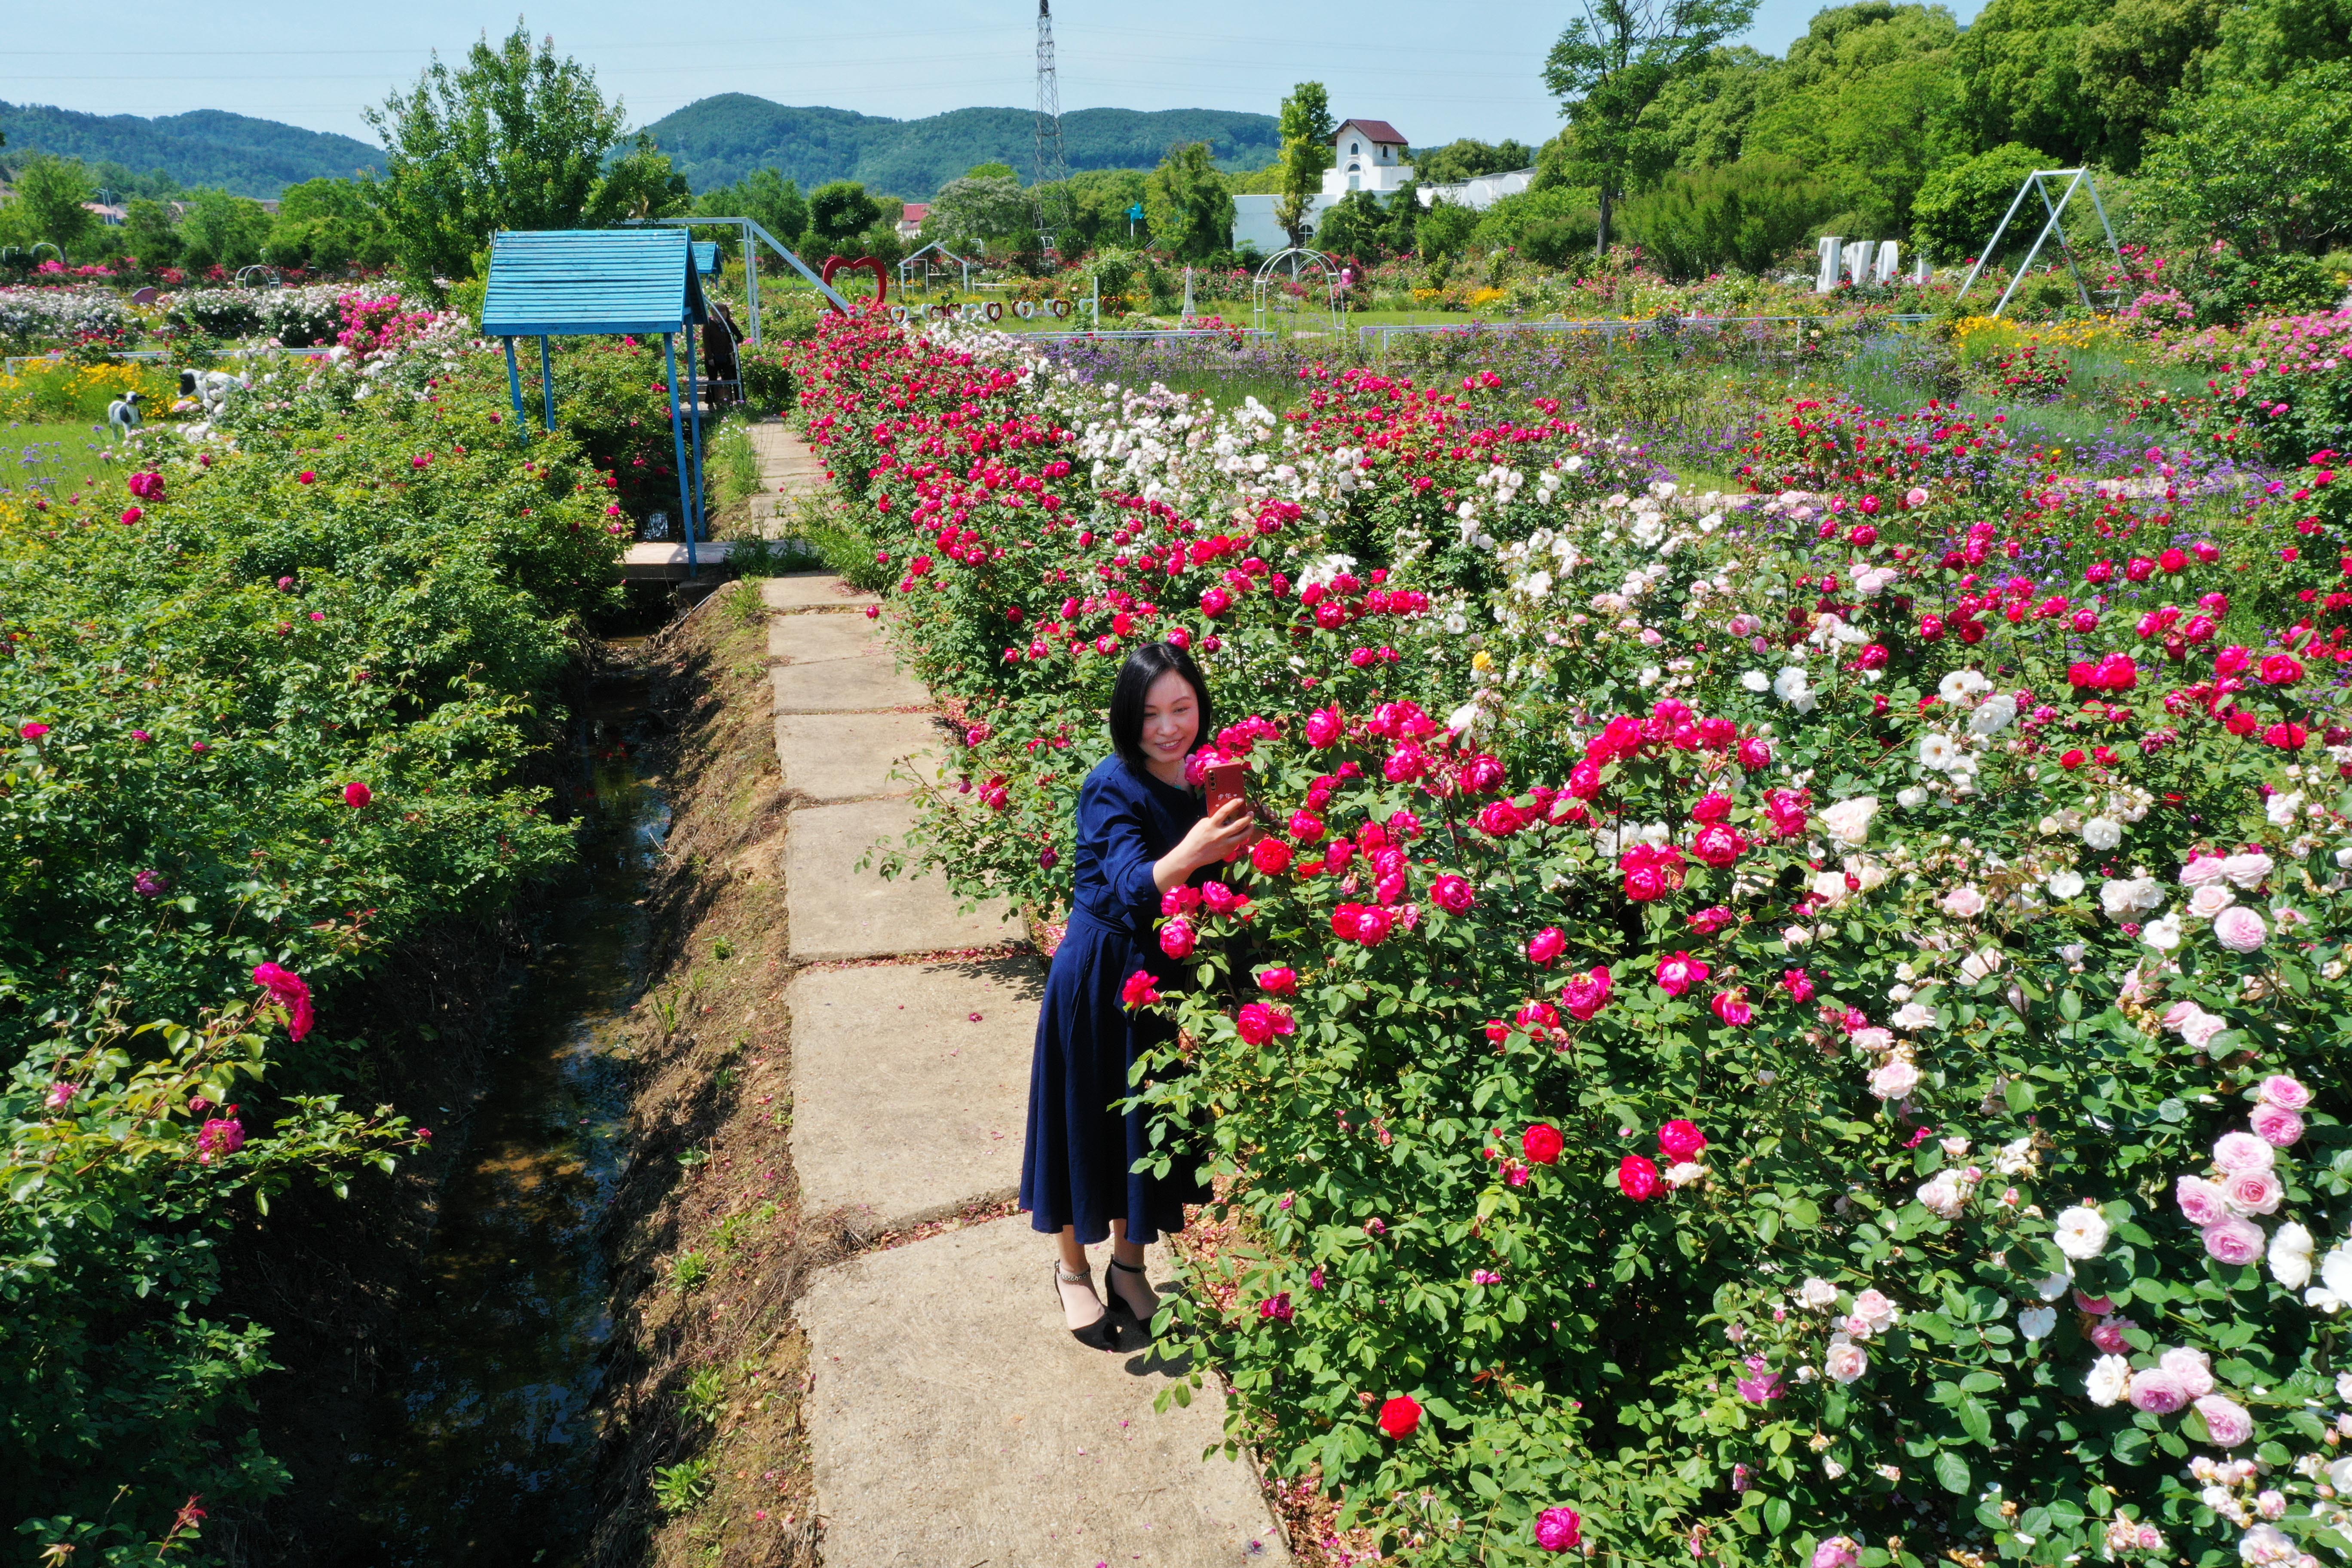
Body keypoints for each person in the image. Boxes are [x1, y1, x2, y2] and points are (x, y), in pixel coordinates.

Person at [1019, 642, 1253, 1349]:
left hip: (1163, 983)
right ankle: (1070, 1273)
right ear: (1129, 717)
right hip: (1097, 978)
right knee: (1080, 1128)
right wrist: (1198, 850)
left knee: (1143, 1133)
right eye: (1151, 713)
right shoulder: (1110, 786)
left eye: (1182, 708)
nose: (1168, 728)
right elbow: (1128, 883)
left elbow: (1230, 891)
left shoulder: (1212, 777)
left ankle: (1128, 1267)